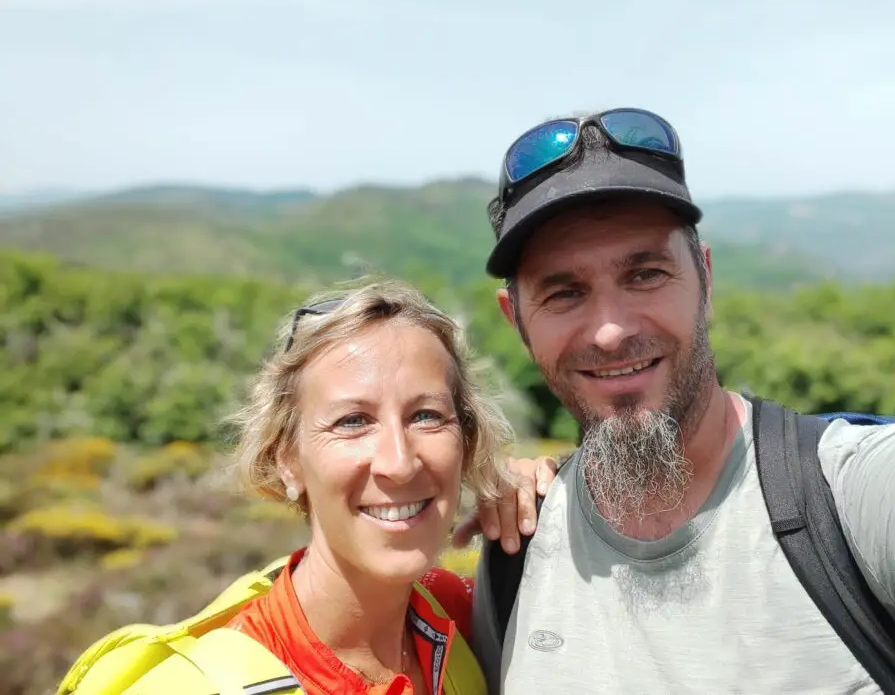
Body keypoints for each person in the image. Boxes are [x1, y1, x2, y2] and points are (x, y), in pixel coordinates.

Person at [463, 107, 895, 694]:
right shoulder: (517, 555)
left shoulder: (865, 494)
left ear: (705, 280)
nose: (610, 330)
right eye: (564, 292)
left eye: (646, 275)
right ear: (517, 321)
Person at [57, 279, 554, 695]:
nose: (399, 464)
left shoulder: (464, 613)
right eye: (352, 421)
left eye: (426, 416)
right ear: (286, 458)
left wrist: (552, 500)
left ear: (466, 442)